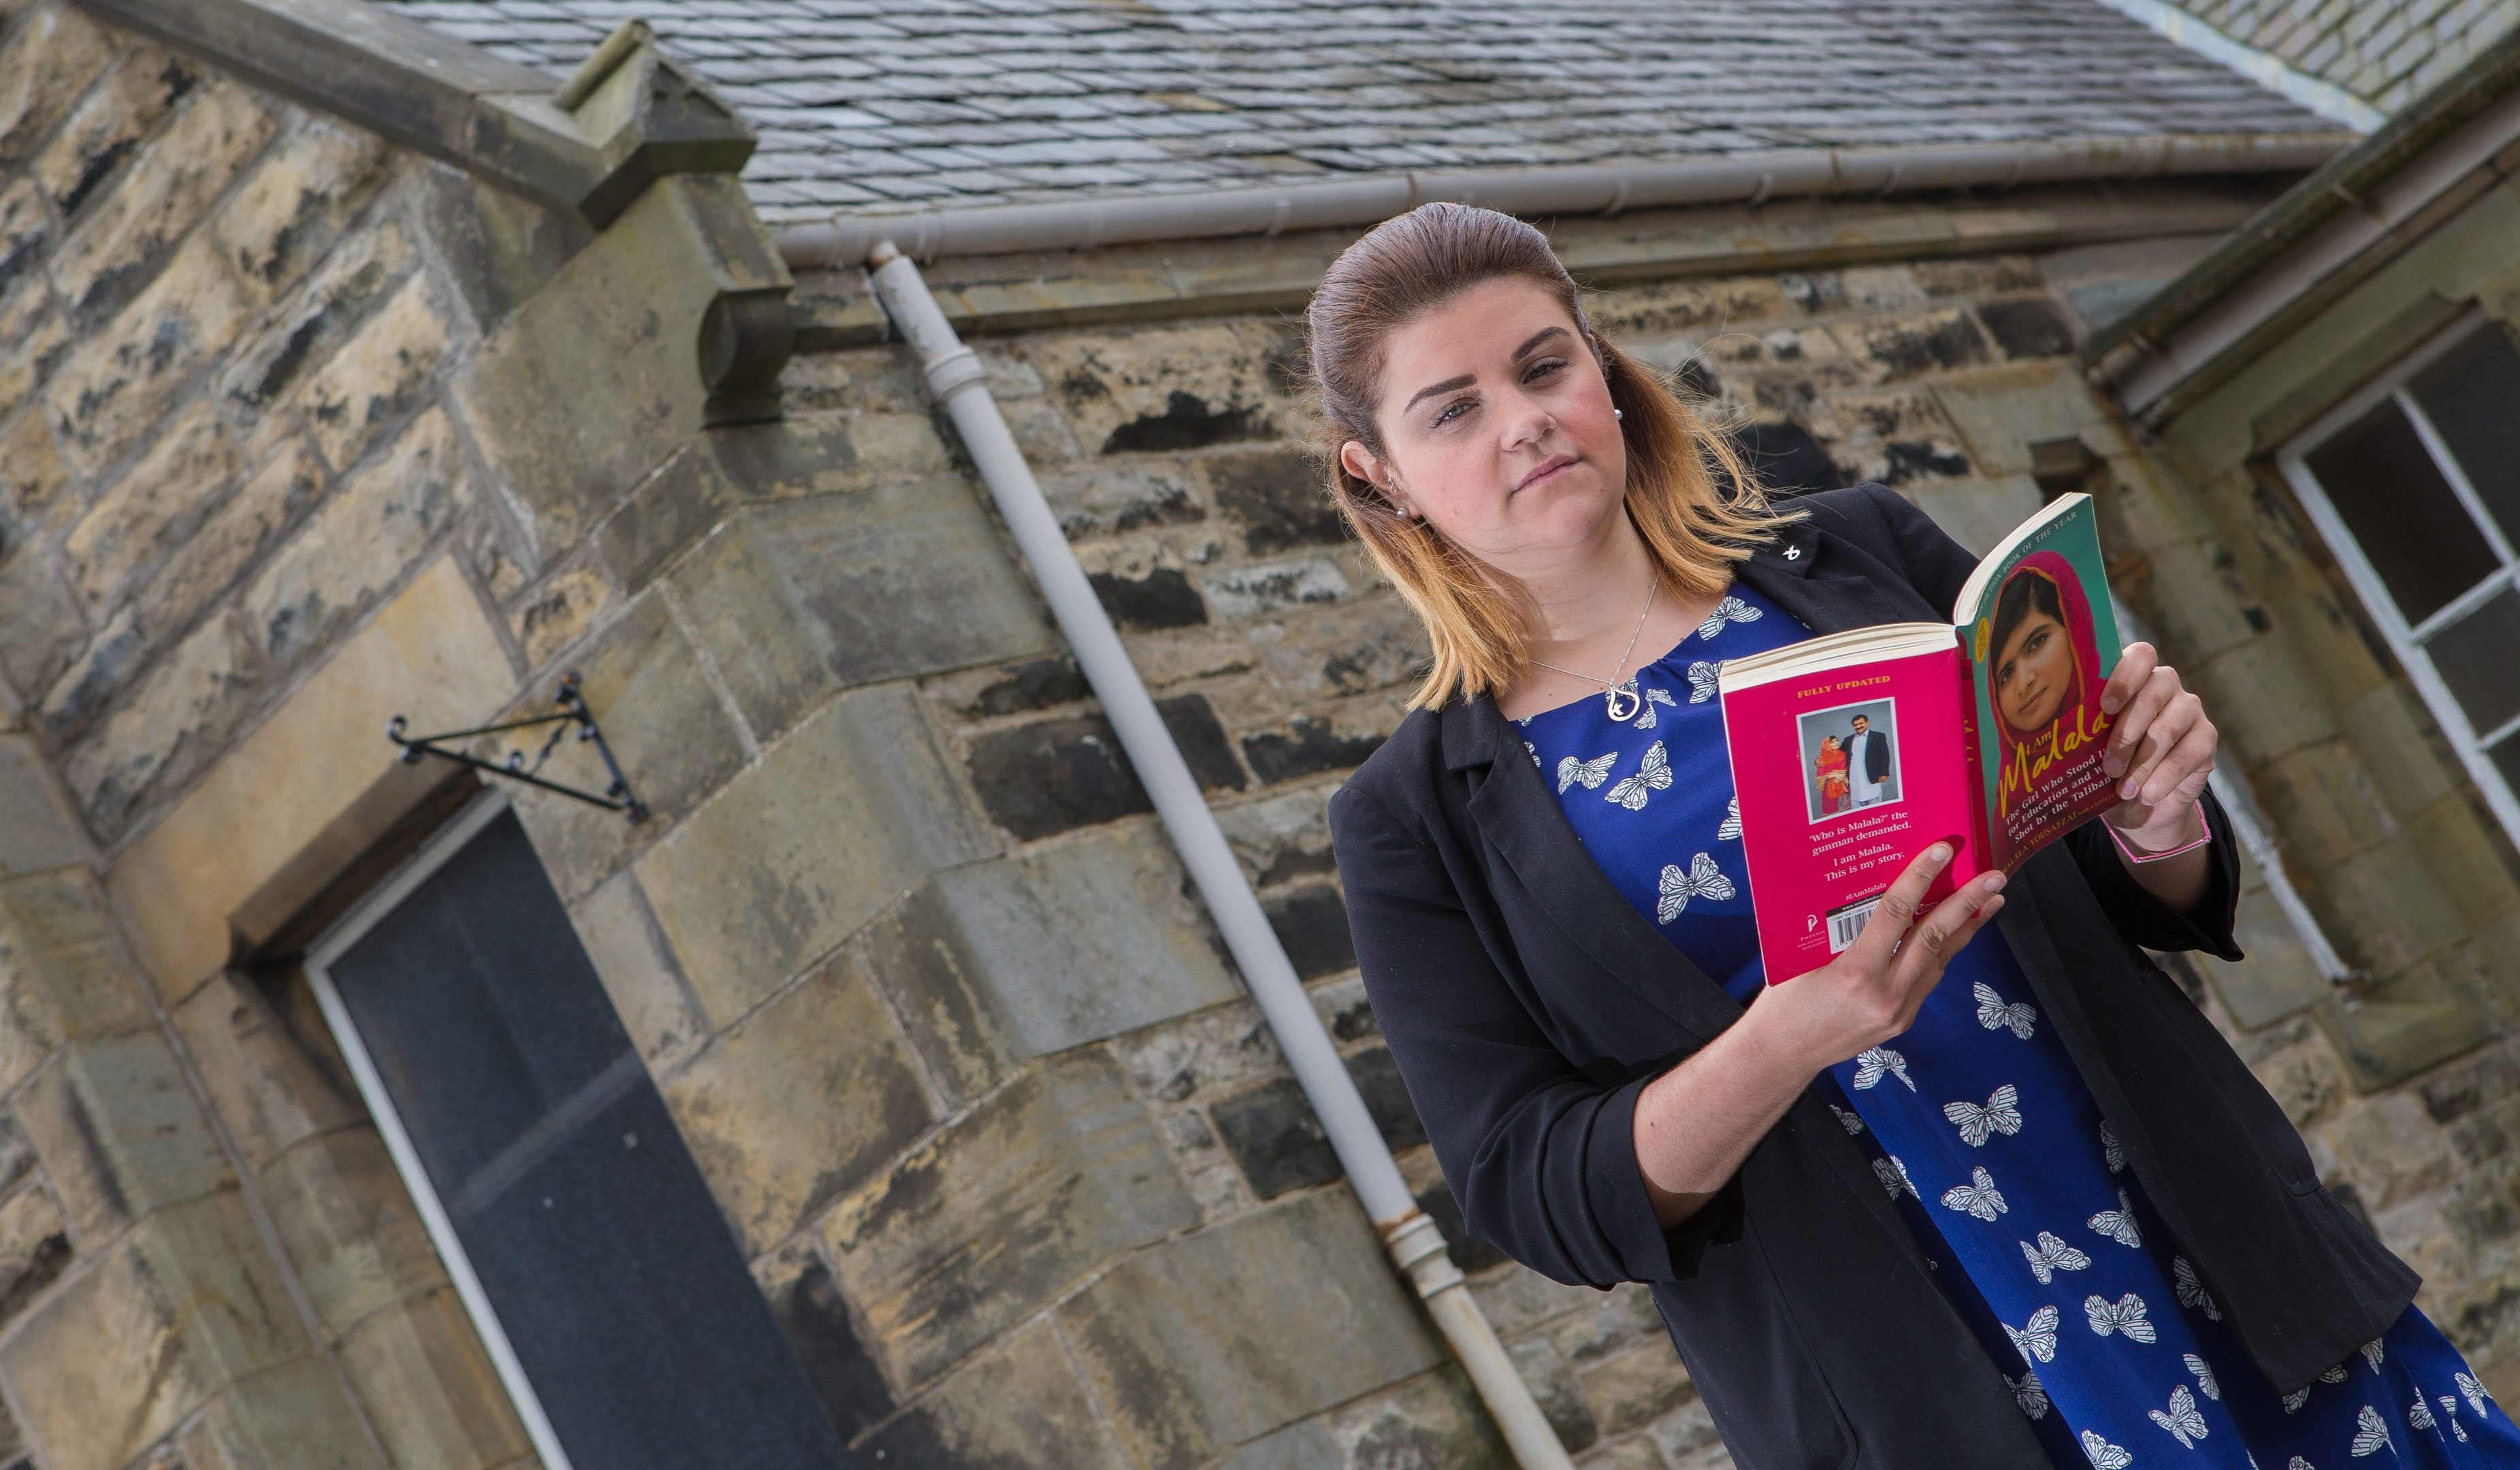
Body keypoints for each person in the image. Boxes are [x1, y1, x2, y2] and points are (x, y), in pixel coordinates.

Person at [1316, 202, 2511, 1469]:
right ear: (1374, 474)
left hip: (2202, 1239)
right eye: (1450, 408)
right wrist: (1782, 1041)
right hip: (1915, 1390)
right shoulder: (1411, 820)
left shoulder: (1860, 555)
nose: (1523, 420)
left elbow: (2112, 867)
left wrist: (2158, 815)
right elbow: (1530, 1188)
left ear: (1600, 367)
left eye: (1543, 363)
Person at [1846, 710, 1893, 806]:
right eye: (1855, 725)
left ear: (1867, 722)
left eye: (1861, 723)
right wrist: (1818, 760)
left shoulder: (1878, 736)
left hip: (1872, 776)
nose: (1858, 726)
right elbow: (1838, 754)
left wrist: (1884, 772)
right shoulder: (1848, 740)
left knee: (1874, 805)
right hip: (1854, 777)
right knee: (1856, 806)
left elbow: (1885, 755)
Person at [1815, 734, 1849, 816]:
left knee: (1847, 814)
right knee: (1833, 817)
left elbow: (1849, 768)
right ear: (1827, 745)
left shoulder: (1843, 755)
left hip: (1844, 787)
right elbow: (1820, 778)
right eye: (1832, 742)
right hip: (1829, 790)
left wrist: (1841, 776)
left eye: (1837, 740)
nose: (1836, 743)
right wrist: (1834, 776)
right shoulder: (1821, 760)